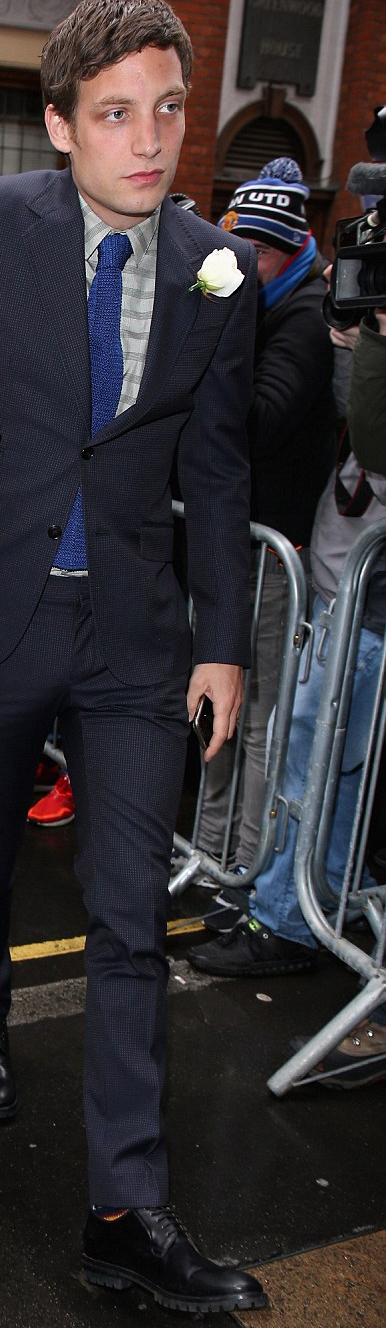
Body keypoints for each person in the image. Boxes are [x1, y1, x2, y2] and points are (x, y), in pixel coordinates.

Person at [0, 0, 267, 1313]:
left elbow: (217, 470)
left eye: (167, 110)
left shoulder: (217, 268)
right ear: (58, 125)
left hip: (139, 636)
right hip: (1, 606)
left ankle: (123, 1212)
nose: (146, 141)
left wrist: (224, 641)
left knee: (129, 912)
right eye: (113, 115)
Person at [188, 301, 386, 984]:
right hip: (343, 588)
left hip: (365, 599)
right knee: (319, 764)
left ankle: (285, 920)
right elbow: (355, 426)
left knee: (312, 763)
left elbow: (374, 443)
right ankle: (297, 907)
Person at [197, 158, 336, 926]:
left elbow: (254, 422)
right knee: (214, 701)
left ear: (288, 248)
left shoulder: (305, 317)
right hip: (237, 542)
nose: (242, 259)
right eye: (238, 244)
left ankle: (243, 867)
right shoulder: (259, 295)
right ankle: (210, 846)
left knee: (256, 715)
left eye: (256, 250)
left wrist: (228, 323)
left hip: (275, 548)